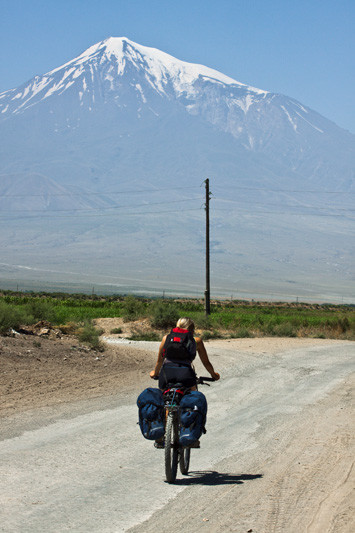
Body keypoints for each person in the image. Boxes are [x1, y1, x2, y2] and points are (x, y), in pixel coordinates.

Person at [150, 317, 220, 390]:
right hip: (186, 375)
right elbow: (206, 362)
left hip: (166, 374)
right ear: (192, 330)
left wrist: (155, 373)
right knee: (193, 398)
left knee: (162, 398)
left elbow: (160, 360)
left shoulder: (166, 338)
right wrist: (213, 375)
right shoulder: (196, 341)